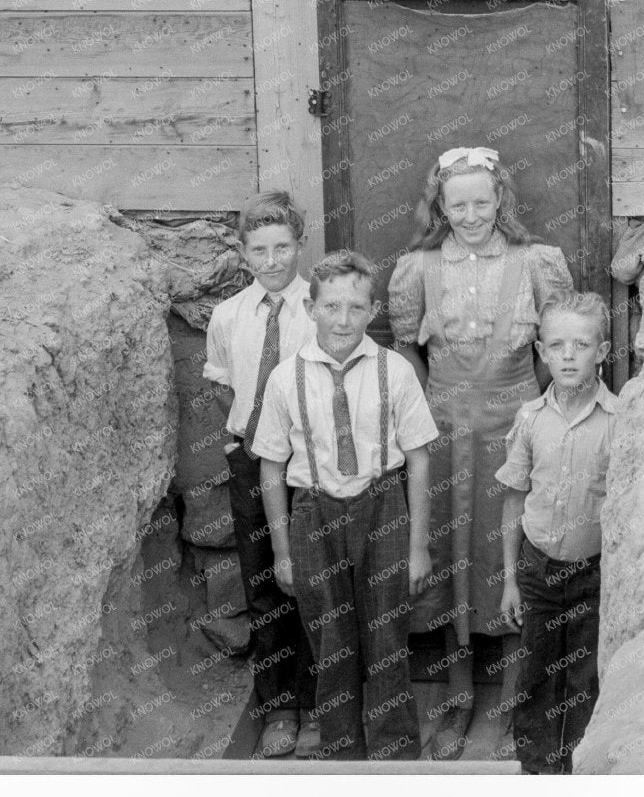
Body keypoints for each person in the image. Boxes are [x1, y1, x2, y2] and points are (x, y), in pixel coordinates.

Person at [388, 146, 575, 759]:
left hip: (517, 426)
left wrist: (529, 406)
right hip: (444, 436)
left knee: (515, 551)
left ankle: (519, 700)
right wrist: (435, 400)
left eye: (482, 202)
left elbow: (558, 344)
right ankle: (459, 694)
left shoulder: (536, 262)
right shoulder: (418, 267)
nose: (471, 214)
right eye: (457, 203)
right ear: (439, 205)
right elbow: (405, 347)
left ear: (502, 202)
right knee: (451, 554)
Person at [253, 250, 439, 762]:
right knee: (330, 645)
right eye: (331, 306)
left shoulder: (395, 370)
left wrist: (418, 547)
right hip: (312, 513)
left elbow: (420, 459)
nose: (343, 319)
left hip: (381, 507)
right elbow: (270, 468)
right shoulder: (284, 378)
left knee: (386, 640)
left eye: (356, 307)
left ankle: (394, 755)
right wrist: (283, 552)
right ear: (311, 308)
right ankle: (341, 757)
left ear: (373, 309)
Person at [202, 192, 317, 758]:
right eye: (260, 250)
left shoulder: (320, 307)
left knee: (319, 581)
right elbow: (226, 382)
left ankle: (322, 701)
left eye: (283, 247)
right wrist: (242, 432)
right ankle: (278, 708)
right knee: (266, 582)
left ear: (299, 245)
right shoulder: (228, 316)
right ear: (244, 254)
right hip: (252, 458)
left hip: (310, 462)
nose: (272, 260)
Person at [497, 291, 617, 775]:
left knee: (584, 678)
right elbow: (513, 498)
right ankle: (537, 769)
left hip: (594, 572)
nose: (569, 355)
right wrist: (509, 579)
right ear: (542, 352)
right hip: (538, 569)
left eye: (582, 345)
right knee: (537, 676)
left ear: (603, 353)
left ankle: (578, 770)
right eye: (557, 345)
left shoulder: (619, 420)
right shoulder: (530, 419)